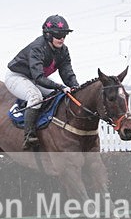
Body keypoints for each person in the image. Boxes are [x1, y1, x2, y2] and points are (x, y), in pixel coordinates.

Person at [5, 14, 79, 149]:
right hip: (17, 76)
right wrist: (60, 86)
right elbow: (39, 77)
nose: (62, 39)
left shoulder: (63, 50)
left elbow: (67, 72)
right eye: (58, 35)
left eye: (64, 35)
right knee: (35, 97)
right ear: (48, 35)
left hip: (34, 78)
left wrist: (75, 86)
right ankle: (29, 136)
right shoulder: (38, 47)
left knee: (57, 96)